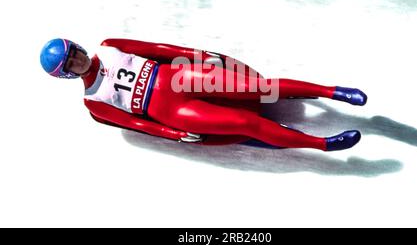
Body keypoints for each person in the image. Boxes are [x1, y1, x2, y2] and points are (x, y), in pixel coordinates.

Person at [40, 38, 367, 151]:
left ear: (77, 47)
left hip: (180, 77)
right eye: (70, 63)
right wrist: (174, 134)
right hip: (171, 112)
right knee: (245, 123)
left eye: (73, 53)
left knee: (258, 88)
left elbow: (156, 49)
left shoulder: (109, 46)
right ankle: (323, 144)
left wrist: (196, 55)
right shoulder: (94, 104)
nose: (78, 60)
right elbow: (137, 125)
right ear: (68, 73)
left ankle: (332, 91)